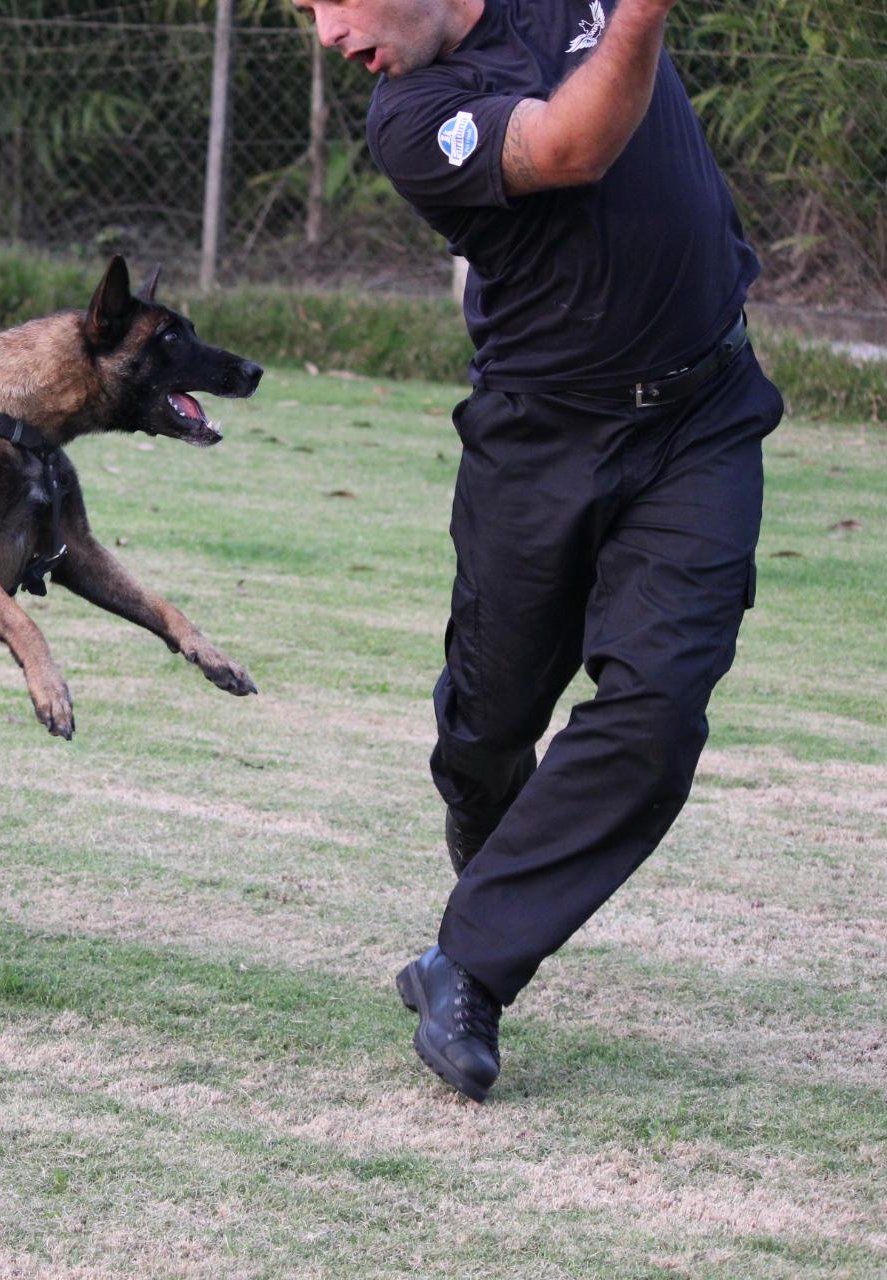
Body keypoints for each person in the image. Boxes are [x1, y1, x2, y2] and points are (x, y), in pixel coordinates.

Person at [295, 0, 784, 1100]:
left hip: (701, 420)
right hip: (541, 436)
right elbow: (570, 146)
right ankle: (490, 830)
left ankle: (467, 963)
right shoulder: (410, 113)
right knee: (488, 725)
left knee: (659, 710)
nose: (326, 32)